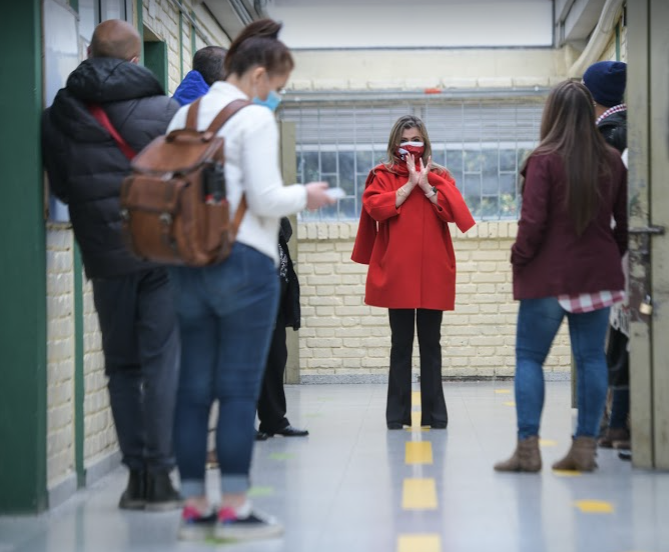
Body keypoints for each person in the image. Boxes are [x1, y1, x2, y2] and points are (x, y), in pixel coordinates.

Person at [165, 19, 334, 542]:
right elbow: (264, 198)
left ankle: (194, 509)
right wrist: (307, 195)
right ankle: (234, 509)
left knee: (193, 389)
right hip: (243, 263)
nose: (275, 96)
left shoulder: (187, 113)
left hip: (189, 259)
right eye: (277, 86)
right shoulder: (253, 119)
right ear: (258, 75)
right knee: (239, 388)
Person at [41, 20, 182, 510]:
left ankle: (136, 478)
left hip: (104, 256)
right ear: (135, 60)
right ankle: (161, 477)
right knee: (161, 363)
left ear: (89, 53)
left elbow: (63, 188)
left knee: (121, 367)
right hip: (161, 252)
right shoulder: (166, 111)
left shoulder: (59, 115)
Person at [494, 80, 628, 474]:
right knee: (591, 359)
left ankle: (527, 450)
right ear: (589, 113)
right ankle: (584, 448)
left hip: (548, 277)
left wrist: (519, 258)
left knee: (530, 358)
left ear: (551, 114)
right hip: (596, 275)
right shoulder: (611, 160)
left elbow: (533, 222)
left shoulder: (544, 159)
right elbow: (624, 225)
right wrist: (607, 257)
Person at [351, 115, 475, 430]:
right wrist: (408, 185)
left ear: (425, 141)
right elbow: (375, 209)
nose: (410, 145)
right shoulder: (381, 175)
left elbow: (454, 214)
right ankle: (397, 416)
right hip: (397, 270)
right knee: (401, 344)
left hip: (433, 268)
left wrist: (427, 187)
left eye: (416, 139)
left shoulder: (440, 175)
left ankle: (436, 416)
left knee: (432, 344)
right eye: (404, 140)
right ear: (395, 143)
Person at [582, 61, 631, 452]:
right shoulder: (635, 127)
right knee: (623, 339)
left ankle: (606, 423)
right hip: (626, 250)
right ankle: (617, 422)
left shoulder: (605, 136)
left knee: (602, 343)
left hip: (609, 253)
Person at [256, 217, 309, 441]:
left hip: (274, 305)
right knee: (248, 365)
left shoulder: (274, 223)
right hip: (252, 304)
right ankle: (241, 423)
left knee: (276, 361)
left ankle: (274, 420)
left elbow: (286, 230)